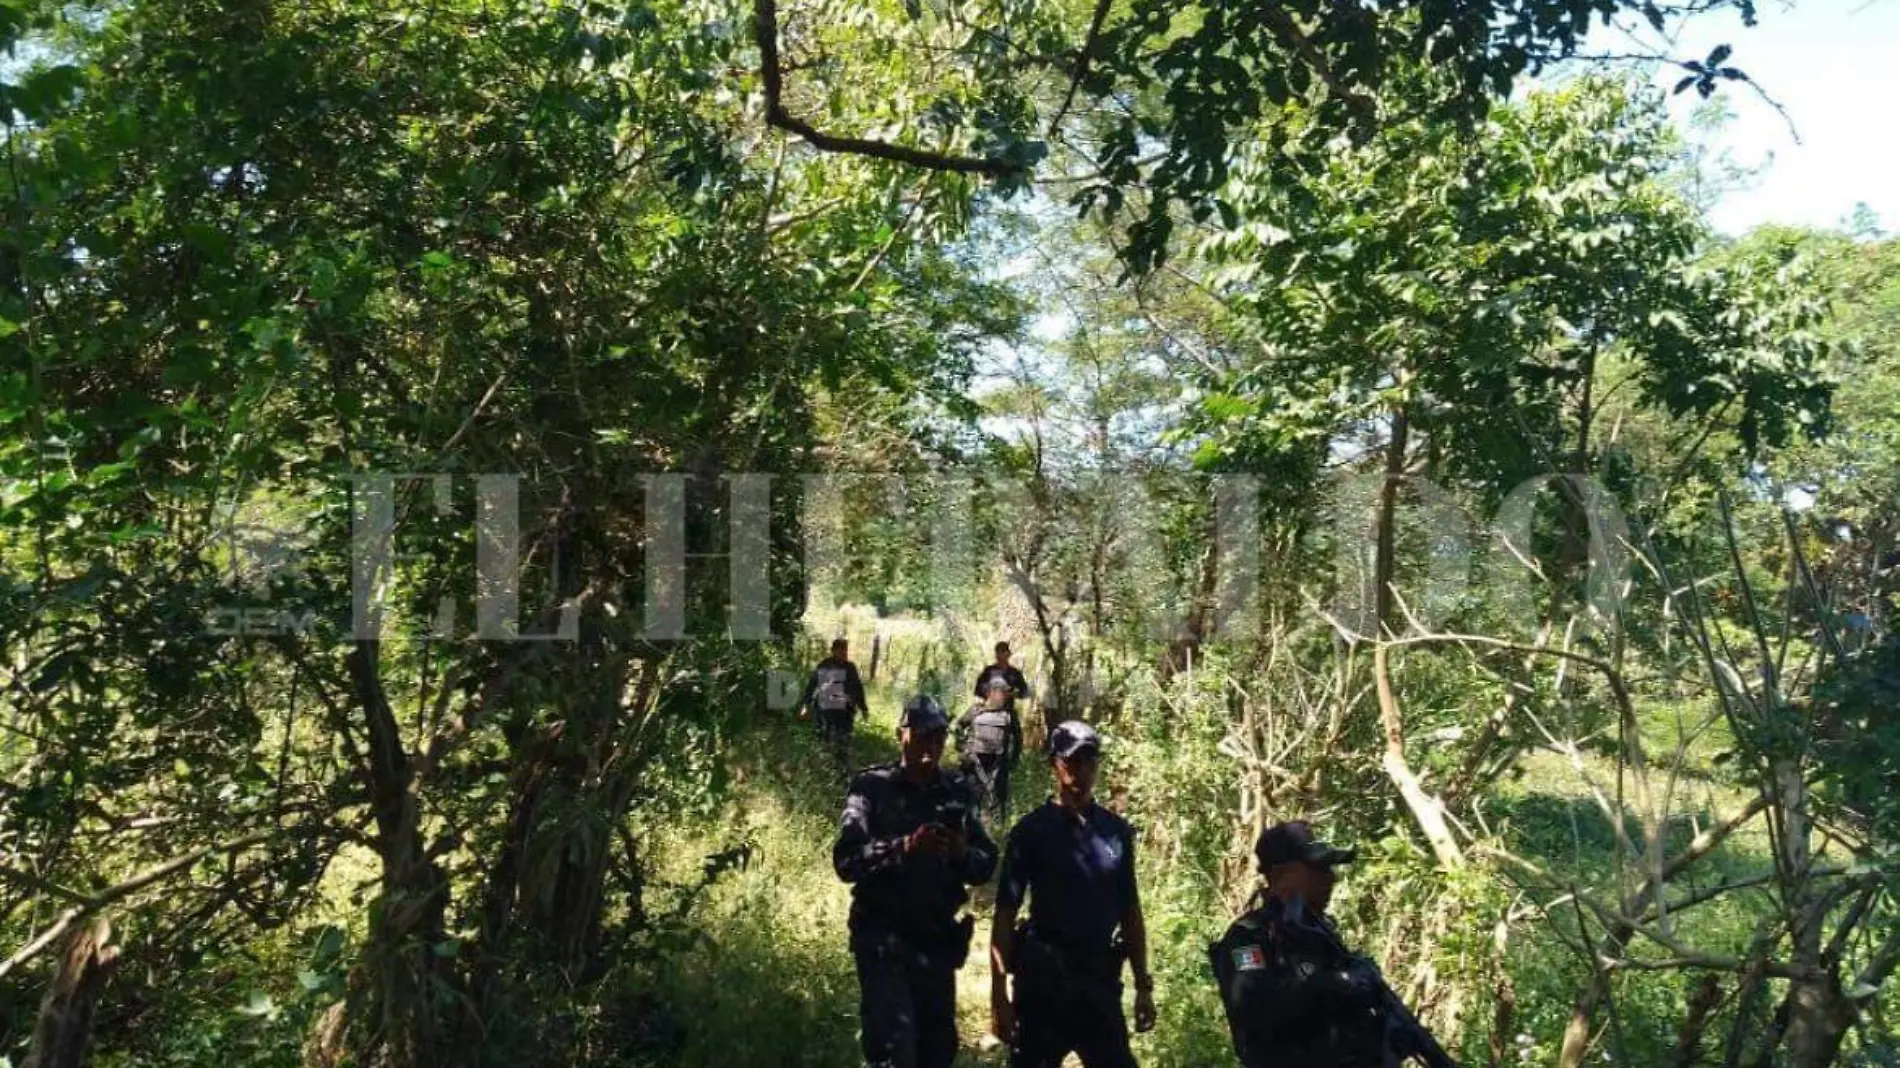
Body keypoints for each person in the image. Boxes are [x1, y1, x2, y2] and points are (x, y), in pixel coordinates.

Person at [834, 694, 999, 1068]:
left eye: (939, 738)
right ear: (901, 735)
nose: (931, 748)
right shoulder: (870, 788)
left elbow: (986, 863)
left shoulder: (957, 791)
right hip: (883, 939)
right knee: (894, 1050)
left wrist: (959, 853)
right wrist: (904, 847)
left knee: (936, 1051)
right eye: (923, 737)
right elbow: (846, 861)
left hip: (936, 942)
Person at [1209, 821, 1453, 1067]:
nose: (1330, 878)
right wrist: (1336, 984)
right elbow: (1255, 1012)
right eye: (1318, 868)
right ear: (1281, 873)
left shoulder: (1318, 934)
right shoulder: (1249, 938)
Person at [989, 720, 1155, 1068]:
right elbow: (1005, 912)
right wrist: (999, 994)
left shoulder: (1116, 833)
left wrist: (1143, 985)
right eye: (1072, 761)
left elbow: (1130, 911)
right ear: (1055, 764)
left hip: (1099, 981)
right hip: (1043, 984)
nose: (1081, 771)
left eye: (1089, 761)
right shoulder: (1031, 832)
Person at [955, 677, 1023, 823]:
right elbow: (959, 727)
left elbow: (1018, 739)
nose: (1005, 696)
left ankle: (997, 833)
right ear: (992, 693)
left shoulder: (1009, 714)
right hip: (974, 766)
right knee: (972, 803)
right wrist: (963, 748)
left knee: (997, 805)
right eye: (1002, 692)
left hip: (998, 768)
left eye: (1006, 693)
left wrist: (1013, 761)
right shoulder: (975, 710)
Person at [801, 637, 869, 779]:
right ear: (833, 651)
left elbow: (857, 688)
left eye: (845, 650)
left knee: (843, 742)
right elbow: (811, 686)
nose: (844, 653)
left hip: (845, 712)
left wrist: (863, 708)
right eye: (841, 650)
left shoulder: (850, 668)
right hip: (826, 711)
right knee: (824, 739)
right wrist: (805, 705)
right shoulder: (824, 666)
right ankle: (821, 770)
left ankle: (841, 772)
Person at [973, 641, 1031, 712]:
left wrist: (1011, 694)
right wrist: (990, 694)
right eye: (998, 652)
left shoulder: (1015, 673)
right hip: (989, 711)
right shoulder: (988, 671)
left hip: (1007, 712)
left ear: (1008, 654)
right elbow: (978, 690)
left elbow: (1025, 692)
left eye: (1003, 651)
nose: (1000, 655)